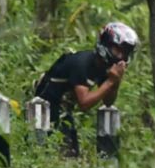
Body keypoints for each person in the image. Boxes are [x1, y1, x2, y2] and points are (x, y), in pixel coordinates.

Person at [34, 21, 139, 156]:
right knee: (51, 157)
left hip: (63, 113)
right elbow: (84, 103)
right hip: (44, 112)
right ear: (106, 44)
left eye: (124, 53)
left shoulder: (102, 67)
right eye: (117, 50)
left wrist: (115, 81)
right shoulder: (82, 63)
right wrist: (110, 81)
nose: (120, 57)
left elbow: (108, 102)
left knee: (71, 158)